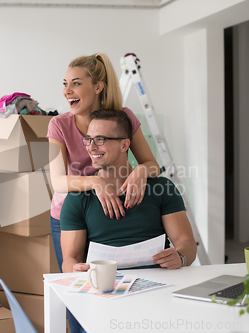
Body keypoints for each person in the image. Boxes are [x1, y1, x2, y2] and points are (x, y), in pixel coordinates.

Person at [46, 53, 161, 333]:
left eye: (75, 83)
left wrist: (139, 172)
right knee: (80, 292)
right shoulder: (58, 125)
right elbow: (57, 181)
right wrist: (96, 182)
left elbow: (152, 164)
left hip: (112, 213)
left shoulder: (123, 118)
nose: (67, 91)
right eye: (65, 84)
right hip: (70, 217)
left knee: (119, 291)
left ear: (98, 87)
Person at [60, 109, 197, 274]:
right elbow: (69, 259)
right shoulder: (78, 198)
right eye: (88, 139)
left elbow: (187, 244)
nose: (91, 147)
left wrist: (180, 257)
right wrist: (74, 270)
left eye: (100, 139)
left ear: (124, 145)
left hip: (160, 284)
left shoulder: (161, 188)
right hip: (106, 287)